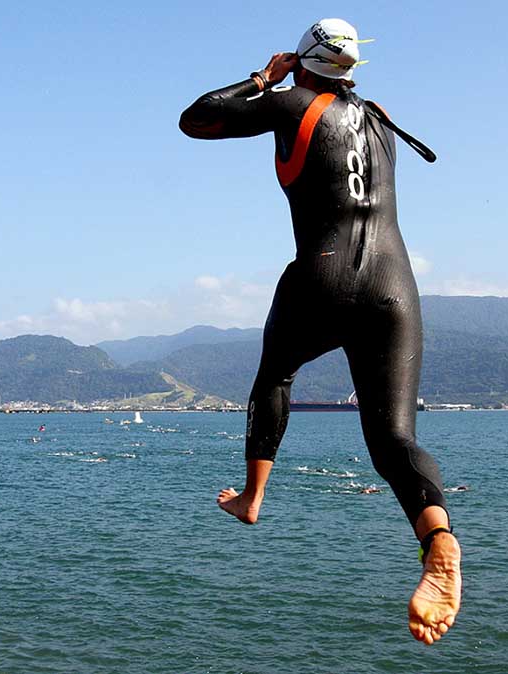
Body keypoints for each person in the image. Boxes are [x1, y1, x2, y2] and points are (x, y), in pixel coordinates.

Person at [179, 18, 460, 645]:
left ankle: (252, 499)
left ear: (304, 62)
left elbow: (195, 118)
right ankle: (438, 539)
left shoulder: (291, 100)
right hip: (394, 286)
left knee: (276, 373)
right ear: (355, 68)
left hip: (322, 274)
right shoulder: (382, 116)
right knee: (393, 437)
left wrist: (264, 78)